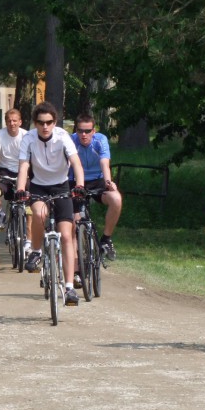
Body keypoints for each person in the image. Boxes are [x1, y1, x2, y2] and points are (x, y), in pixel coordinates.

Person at [16, 101, 85, 307]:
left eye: (49, 122)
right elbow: (23, 167)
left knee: (66, 235)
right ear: (35, 123)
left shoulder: (63, 137)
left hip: (62, 187)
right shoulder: (28, 139)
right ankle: (36, 251)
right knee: (38, 214)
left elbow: (76, 163)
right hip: (39, 186)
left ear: (55, 122)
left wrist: (79, 184)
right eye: (40, 122)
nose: (45, 127)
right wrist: (21, 189)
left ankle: (70, 287)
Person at [69, 113, 123, 285]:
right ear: (76, 130)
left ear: (94, 131)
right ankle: (77, 270)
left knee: (116, 199)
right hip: (76, 182)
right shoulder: (71, 141)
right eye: (80, 131)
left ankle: (106, 239)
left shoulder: (100, 140)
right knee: (75, 223)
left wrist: (109, 183)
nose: (84, 134)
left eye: (87, 131)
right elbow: (66, 164)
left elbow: (104, 163)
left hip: (98, 181)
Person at [0, 108, 33, 254]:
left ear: (20, 122)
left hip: (24, 172)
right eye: (9, 121)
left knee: (30, 207)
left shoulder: (27, 135)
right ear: (6, 122)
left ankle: (29, 242)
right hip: (4, 173)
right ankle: (0, 213)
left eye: (14, 121)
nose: (12, 123)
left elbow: (33, 156)